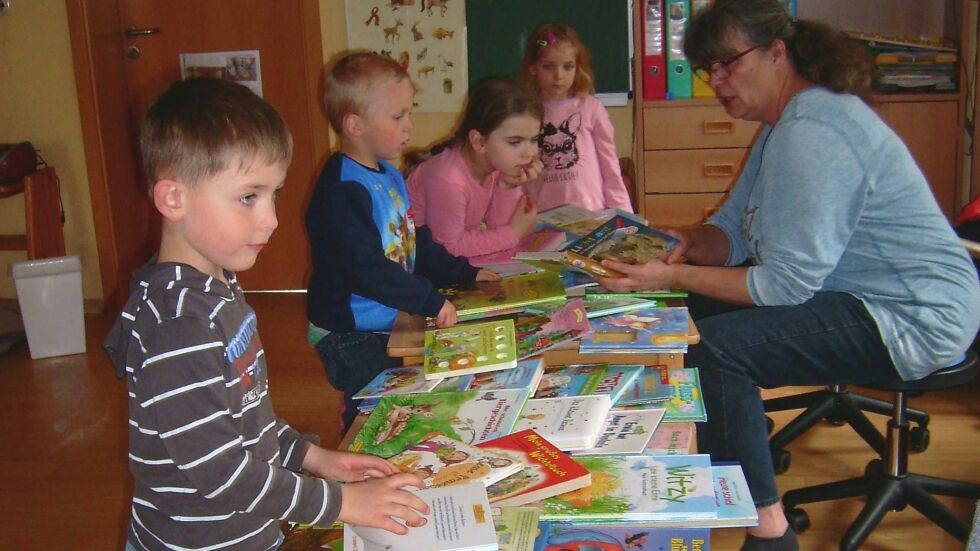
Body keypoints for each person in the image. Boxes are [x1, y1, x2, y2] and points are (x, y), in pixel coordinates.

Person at [595, 1, 980, 550]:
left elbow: (782, 286)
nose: (716, 80)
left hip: (913, 315)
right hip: (856, 294)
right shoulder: (783, 126)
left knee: (716, 349)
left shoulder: (813, 131)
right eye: (707, 68)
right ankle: (715, 439)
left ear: (777, 52)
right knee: (684, 317)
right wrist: (685, 245)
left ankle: (769, 531)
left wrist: (671, 278)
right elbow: (731, 233)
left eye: (727, 63)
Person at [103, 77, 431, 551]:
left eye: (274, 193)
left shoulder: (215, 286)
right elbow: (223, 472)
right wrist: (341, 503)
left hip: (247, 532)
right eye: (248, 197)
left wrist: (313, 457)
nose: (272, 218)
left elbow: (244, 417)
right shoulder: (180, 326)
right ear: (174, 199)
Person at [307, 52, 499, 430]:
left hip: (385, 319)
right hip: (349, 330)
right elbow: (365, 268)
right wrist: (427, 299)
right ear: (355, 125)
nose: (409, 126)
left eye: (409, 113)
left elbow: (413, 241)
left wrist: (464, 273)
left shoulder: (389, 174)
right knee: (375, 411)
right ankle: (356, 443)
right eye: (398, 117)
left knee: (401, 395)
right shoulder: (342, 190)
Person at [406, 78, 543, 262]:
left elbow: (498, 233)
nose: (530, 153)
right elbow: (448, 248)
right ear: (478, 141)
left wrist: (507, 185)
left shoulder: (496, 164)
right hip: (425, 266)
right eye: (515, 142)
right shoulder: (448, 180)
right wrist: (514, 233)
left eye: (534, 140)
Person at [518, 22, 633, 213]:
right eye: (548, 67)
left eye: (568, 67)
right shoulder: (524, 113)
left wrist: (624, 212)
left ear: (577, 67)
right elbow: (518, 171)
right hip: (543, 217)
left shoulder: (591, 108)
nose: (558, 75)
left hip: (590, 215)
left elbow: (610, 166)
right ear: (533, 67)